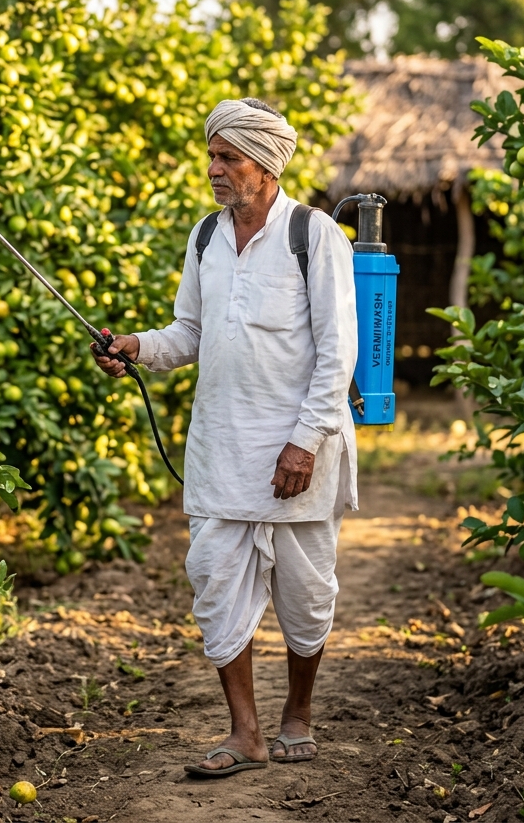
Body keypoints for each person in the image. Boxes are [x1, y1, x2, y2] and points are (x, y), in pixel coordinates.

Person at [93, 97, 357, 778]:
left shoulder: (314, 234)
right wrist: (137, 346)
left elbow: (338, 351)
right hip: (221, 446)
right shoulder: (206, 237)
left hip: (299, 451)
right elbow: (190, 332)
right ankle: (246, 733)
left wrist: (304, 441)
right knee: (213, 583)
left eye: (227, 157)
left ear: (265, 163)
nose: (214, 168)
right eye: (211, 155)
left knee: (307, 594)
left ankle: (298, 713)